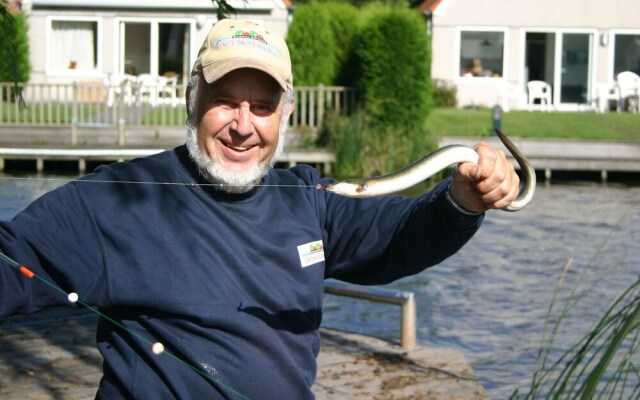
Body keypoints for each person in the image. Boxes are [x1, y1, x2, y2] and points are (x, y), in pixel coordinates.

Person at [0, 19, 520, 399]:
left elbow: (399, 235)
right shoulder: (118, 199)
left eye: (263, 106)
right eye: (226, 99)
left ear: (284, 115)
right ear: (193, 100)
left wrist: (460, 202)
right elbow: (11, 263)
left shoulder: (309, 199)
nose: (244, 124)